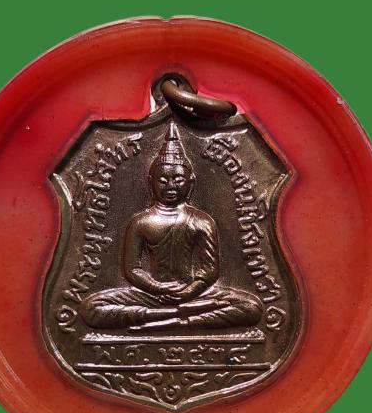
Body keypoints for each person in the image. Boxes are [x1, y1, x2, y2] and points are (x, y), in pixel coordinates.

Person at [79, 123, 262, 331]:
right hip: (149, 295)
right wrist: (156, 287)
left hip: (195, 294)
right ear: (151, 182)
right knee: (91, 308)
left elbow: (209, 271)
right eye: (163, 180)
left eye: (178, 179)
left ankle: (177, 320)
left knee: (251, 307)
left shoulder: (201, 220)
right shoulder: (141, 221)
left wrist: (189, 291)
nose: (171, 186)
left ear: (190, 181)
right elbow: (133, 269)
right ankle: (173, 315)